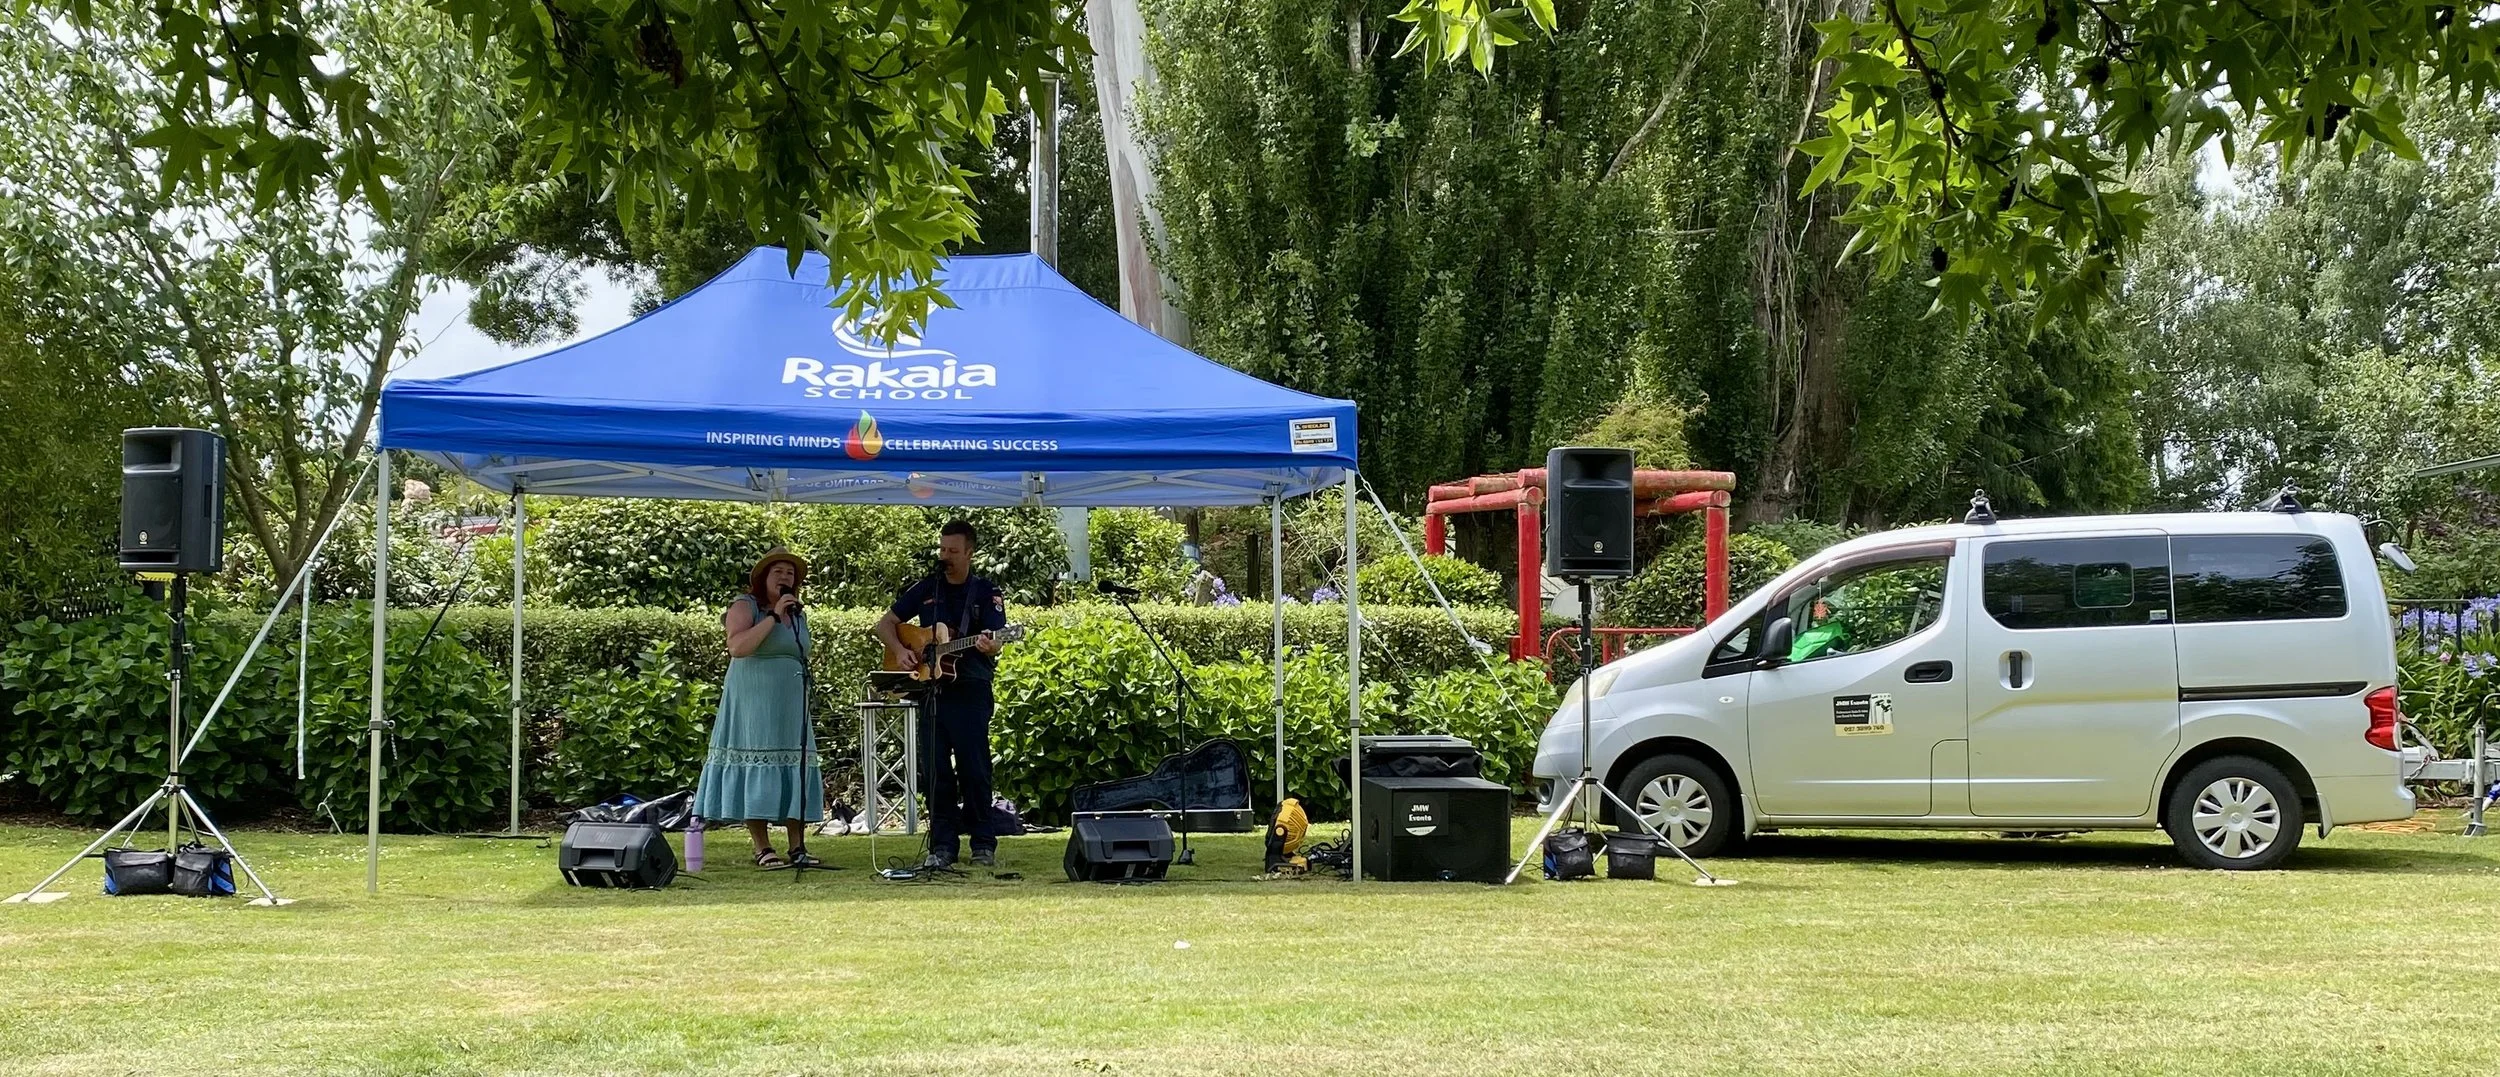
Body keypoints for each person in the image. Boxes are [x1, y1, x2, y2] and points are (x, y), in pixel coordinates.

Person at [874, 519, 1008, 869]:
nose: (945, 556)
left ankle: (983, 843)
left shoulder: (985, 592)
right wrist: (902, 652)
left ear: (969, 552)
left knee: (974, 768)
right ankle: (942, 845)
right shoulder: (927, 587)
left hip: (971, 689)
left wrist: (989, 646)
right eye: (942, 549)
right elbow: (883, 625)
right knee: (934, 771)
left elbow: (995, 643)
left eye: (952, 550)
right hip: (931, 692)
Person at [694, 548, 827, 870]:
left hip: (791, 700)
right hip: (753, 700)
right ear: (763, 578)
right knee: (756, 759)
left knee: (794, 764)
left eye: (790, 574)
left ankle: (798, 846)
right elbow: (738, 647)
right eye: (778, 572)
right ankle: (762, 847)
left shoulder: (798, 613)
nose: (785, 578)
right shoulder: (746, 606)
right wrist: (772, 617)